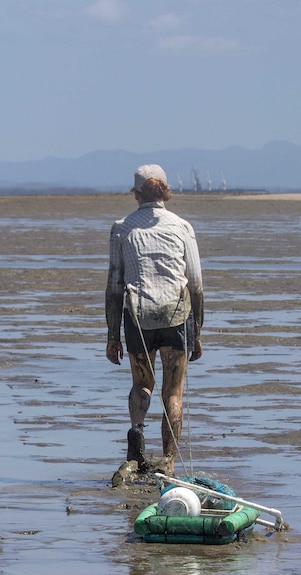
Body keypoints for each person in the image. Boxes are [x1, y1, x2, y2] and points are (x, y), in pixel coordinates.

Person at [105, 164, 204, 474]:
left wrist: (112, 335)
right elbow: (196, 284)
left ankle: (136, 439)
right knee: (173, 392)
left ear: (136, 194)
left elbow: (114, 286)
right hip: (176, 314)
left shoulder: (122, 228)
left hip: (138, 315)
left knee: (142, 385)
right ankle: (169, 463)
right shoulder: (182, 226)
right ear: (164, 190)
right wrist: (197, 331)